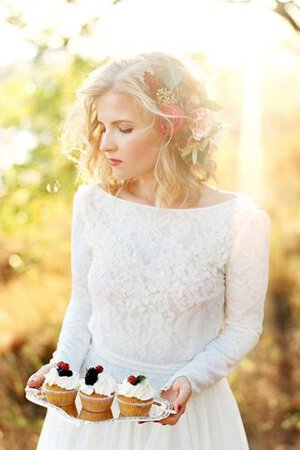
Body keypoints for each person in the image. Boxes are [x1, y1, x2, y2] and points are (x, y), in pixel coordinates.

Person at [26, 51, 271, 449]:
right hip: (94, 407)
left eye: (123, 128)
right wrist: (63, 365)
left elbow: (243, 326)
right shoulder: (93, 204)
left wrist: (190, 379)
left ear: (170, 129)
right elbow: (83, 302)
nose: (105, 143)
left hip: (185, 417)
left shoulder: (242, 221)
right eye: (102, 127)